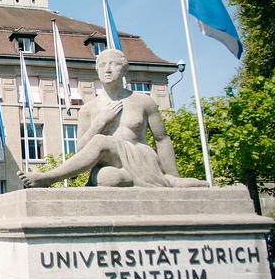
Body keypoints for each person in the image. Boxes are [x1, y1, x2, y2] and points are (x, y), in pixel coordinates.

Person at [20, 49, 207, 188]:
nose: (107, 69)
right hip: (110, 163)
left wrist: (172, 175)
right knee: (107, 179)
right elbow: (81, 149)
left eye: (114, 64)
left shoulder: (143, 101)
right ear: (97, 70)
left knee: (101, 141)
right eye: (102, 65)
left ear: (124, 69)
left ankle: (50, 177)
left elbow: (162, 139)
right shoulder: (88, 109)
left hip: (140, 157)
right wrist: (101, 122)